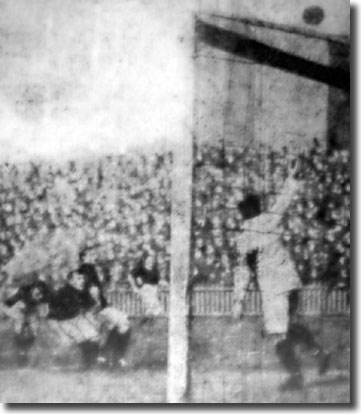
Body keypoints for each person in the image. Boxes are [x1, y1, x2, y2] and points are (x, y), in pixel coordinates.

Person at [235, 159, 331, 390]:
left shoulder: (244, 236)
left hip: (274, 289)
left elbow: (243, 270)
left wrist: (238, 300)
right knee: (286, 329)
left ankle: (296, 376)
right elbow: (283, 202)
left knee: (279, 335)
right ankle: (319, 353)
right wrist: (292, 178)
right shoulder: (269, 219)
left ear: (242, 213)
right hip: (291, 283)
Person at [47, 270, 100, 369]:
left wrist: (96, 297)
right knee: (80, 337)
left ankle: (93, 362)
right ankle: (87, 364)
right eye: (79, 279)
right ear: (70, 281)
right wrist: (58, 330)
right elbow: (52, 315)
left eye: (83, 278)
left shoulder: (82, 291)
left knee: (94, 336)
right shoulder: (61, 293)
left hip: (77, 318)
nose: (82, 281)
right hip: (63, 321)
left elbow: (91, 306)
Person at [2, 279, 49, 366]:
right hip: (20, 310)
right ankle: (20, 350)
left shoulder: (43, 295)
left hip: (33, 312)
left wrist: (42, 312)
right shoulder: (23, 291)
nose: (39, 294)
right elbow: (8, 303)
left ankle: (27, 349)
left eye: (40, 293)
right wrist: (11, 312)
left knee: (34, 329)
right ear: (32, 289)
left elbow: (45, 309)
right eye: (36, 291)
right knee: (18, 328)